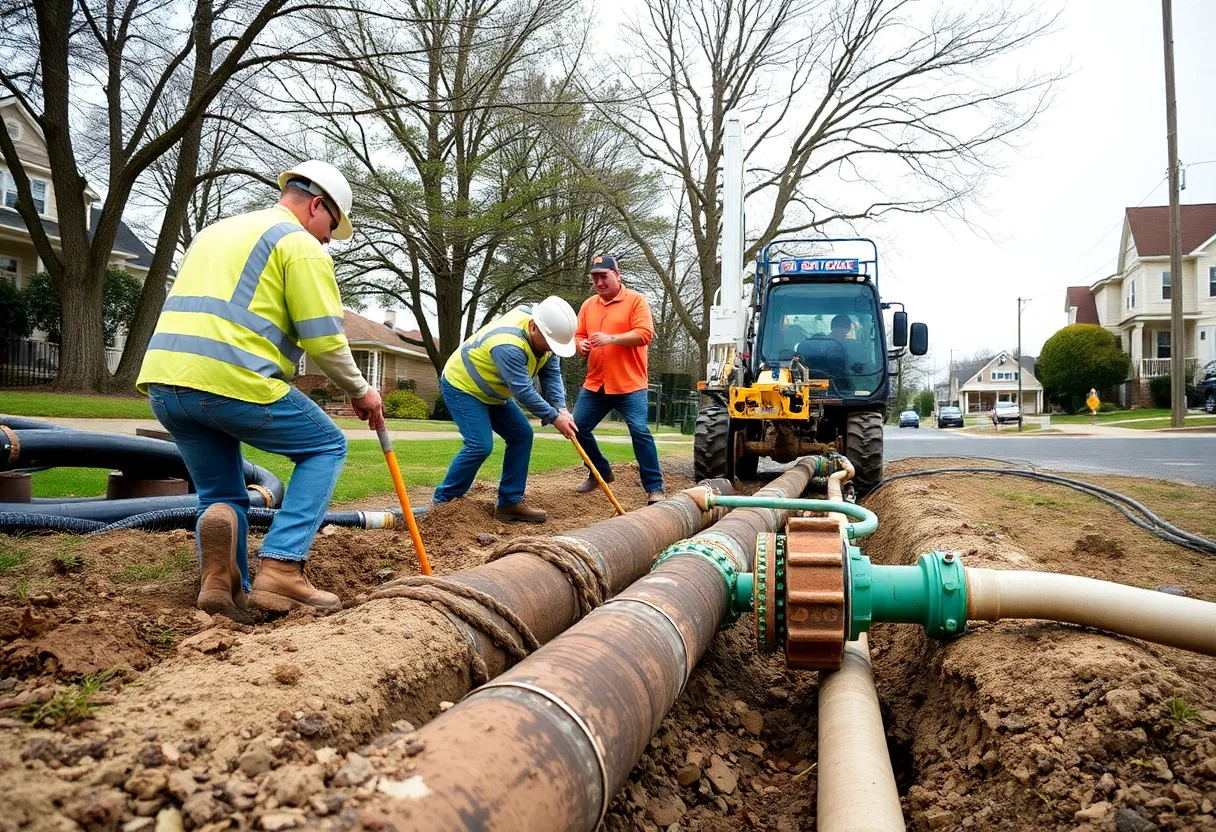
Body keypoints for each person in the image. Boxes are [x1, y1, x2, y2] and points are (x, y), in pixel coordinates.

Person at [137, 160, 384, 620]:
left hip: (167, 385)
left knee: (221, 498)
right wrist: (361, 390)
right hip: (234, 379)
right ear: (316, 206)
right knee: (326, 446)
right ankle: (283, 569)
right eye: (331, 225)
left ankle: (222, 580)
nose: (328, 237)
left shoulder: (213, 234)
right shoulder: (298, 244)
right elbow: (324, 338)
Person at [433, 297, 579, 522]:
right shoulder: (508, 344)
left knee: (521, 435)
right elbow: (524, 391)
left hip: (494, 392)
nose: (552, 349)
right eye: (550, 343)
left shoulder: (546, 335)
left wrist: (561, 408)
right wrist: (553, 417)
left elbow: (551, 374)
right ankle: (443, 504)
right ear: (533, 327)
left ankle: (510, 503)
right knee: (479, 445)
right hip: (463, 387)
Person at [572, 255, 664, 503]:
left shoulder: (636, 301)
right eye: (595, 278)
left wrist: (611, 339)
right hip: (596, 384)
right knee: (576, 428)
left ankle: (654, 488)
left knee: (640, 431)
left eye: (604, 276)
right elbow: (579, 335)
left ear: (617, 274)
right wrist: (580, 344)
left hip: (629, 385)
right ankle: (599, 471)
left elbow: (645, 334)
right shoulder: (588, 305)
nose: (599, 282)